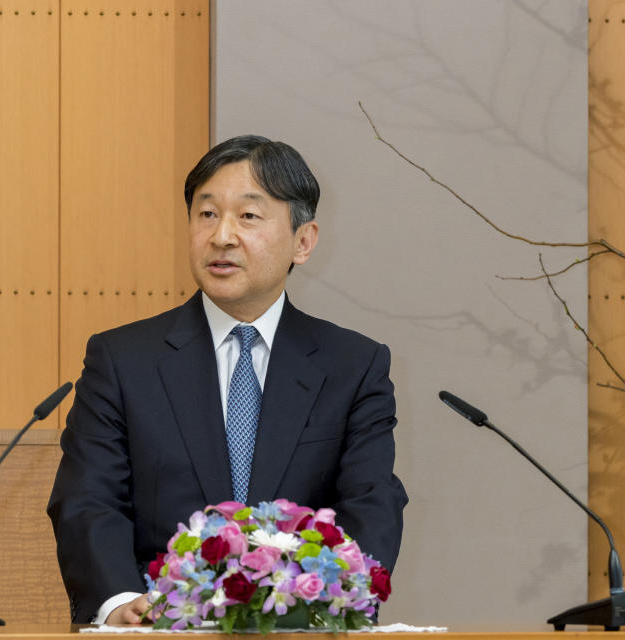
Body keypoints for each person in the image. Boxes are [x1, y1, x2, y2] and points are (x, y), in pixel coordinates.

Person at [47, 135, 408, 625]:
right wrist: (118, 602)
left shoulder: (353, 365)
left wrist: (328, 599)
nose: (221, 236)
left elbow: (371, 502)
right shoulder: (122, 359)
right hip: (157, 626)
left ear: (303, 242)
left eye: (249, 216)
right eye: (207, 214)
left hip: (296, 626)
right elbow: (88, 498)